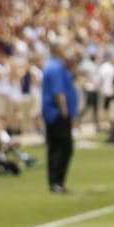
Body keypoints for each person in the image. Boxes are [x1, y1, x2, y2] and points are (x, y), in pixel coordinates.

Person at [41, 42, 78, 193]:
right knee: (63, 147)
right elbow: (58, 91)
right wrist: (64, 111)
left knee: (58, 147)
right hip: (56, 113)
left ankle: (56, 182)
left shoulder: (55, 66)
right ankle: (56, 181)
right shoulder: (55, 67)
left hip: (54, 112)